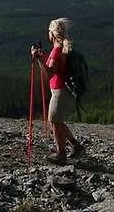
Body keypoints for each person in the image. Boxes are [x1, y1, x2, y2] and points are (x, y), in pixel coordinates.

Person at [30, 17, 84, 165]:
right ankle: (75, 145)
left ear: (52, 34)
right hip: (65, 91)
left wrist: (38, 58)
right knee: (58, 121)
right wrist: (42, 57)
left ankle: (61, 153)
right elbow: (55, 67)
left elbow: (49, 73)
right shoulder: (62, 49)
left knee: (54, 121)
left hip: (60, 91)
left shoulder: (57, 51)